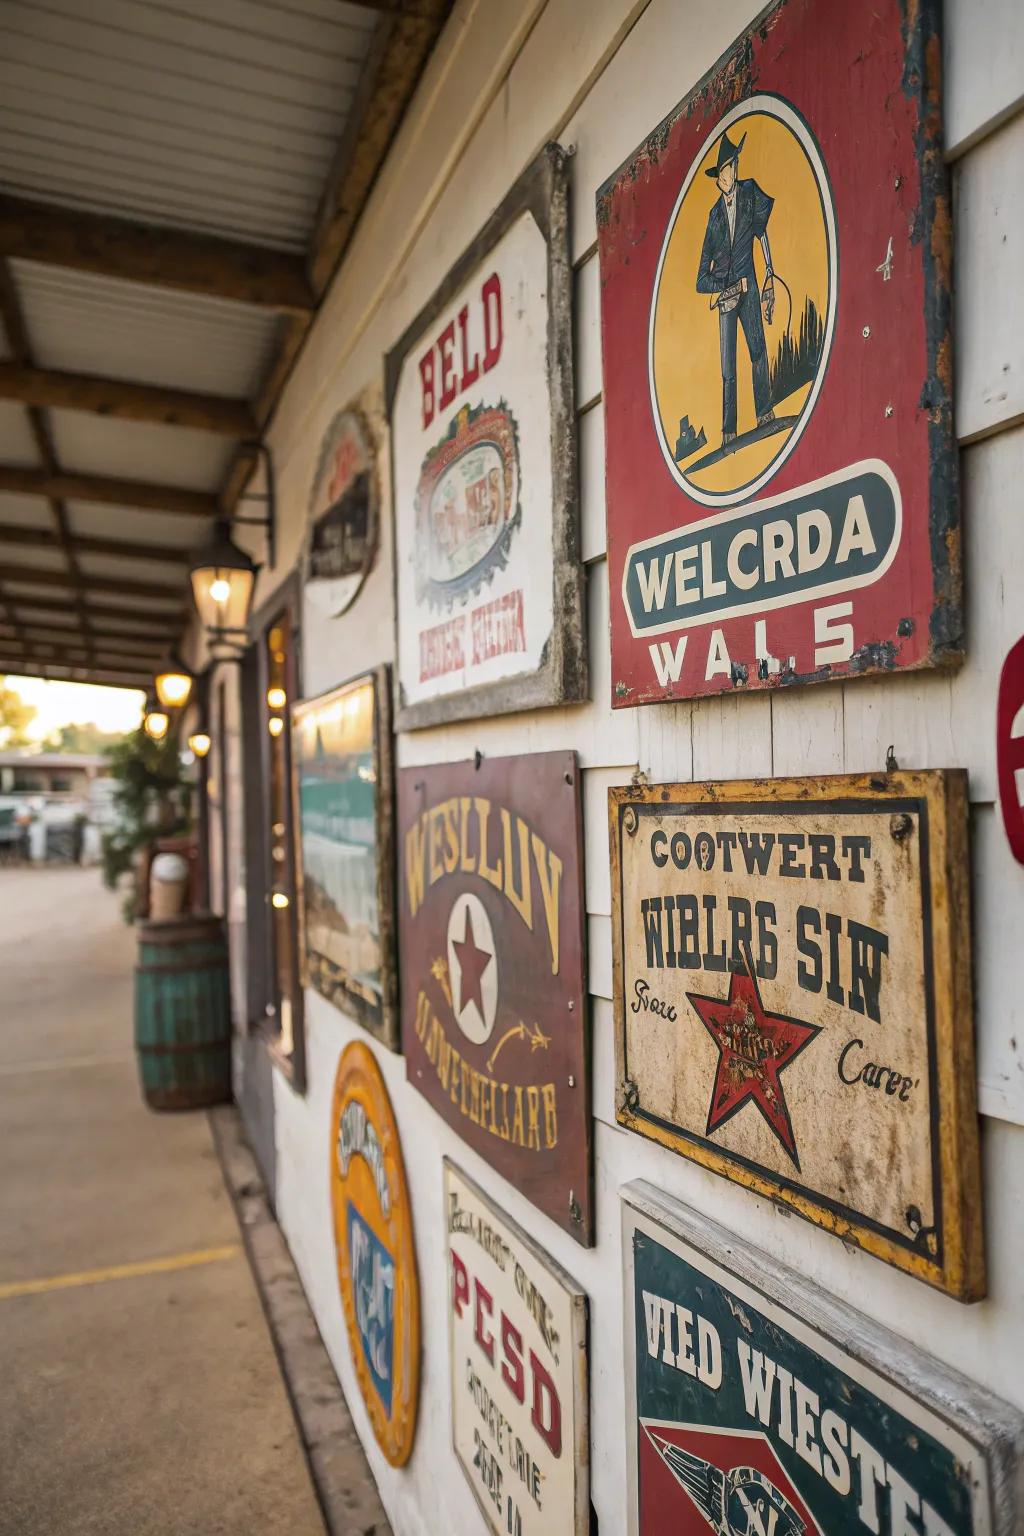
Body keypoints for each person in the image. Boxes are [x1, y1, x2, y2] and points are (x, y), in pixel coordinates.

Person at [695, 129, 776, 447]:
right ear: (718, 176)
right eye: (727, 167)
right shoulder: (713, 217)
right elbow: (701, 279)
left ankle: (765, 415)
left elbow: (762, 232)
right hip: (727, 299)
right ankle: (728, 432)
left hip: (753, 288)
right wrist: (725, 285)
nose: (732, 171)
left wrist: (770, 272)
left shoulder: (751, 192)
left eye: (734, 164)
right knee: (728, 368)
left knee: (758, 350)